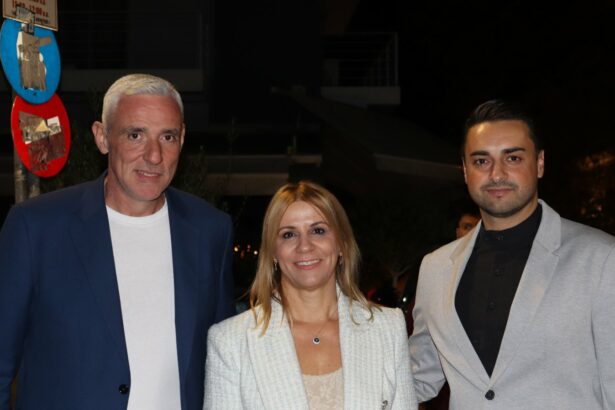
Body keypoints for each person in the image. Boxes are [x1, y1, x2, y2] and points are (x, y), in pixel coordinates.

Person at [0, 74, 235, 410]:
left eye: (167, 137)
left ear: (182, 139)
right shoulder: (36, 228)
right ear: (102, 137)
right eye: (135, 135)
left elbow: (223, 364)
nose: (154, 156)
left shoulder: (211, 230)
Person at [409, 99, 615, 409]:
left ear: (540, 163)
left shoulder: (602, 259)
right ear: (465, 170)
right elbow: (418, 376)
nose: (497, 174)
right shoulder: (435, 268)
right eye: (481, 161)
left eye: (513, 158)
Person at [205, 181, 417, 409]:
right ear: (273, 251)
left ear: (342, 243)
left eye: (318, 231)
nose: (304, 246)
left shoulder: (388, 329)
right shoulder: (230, 341)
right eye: (288, 234)